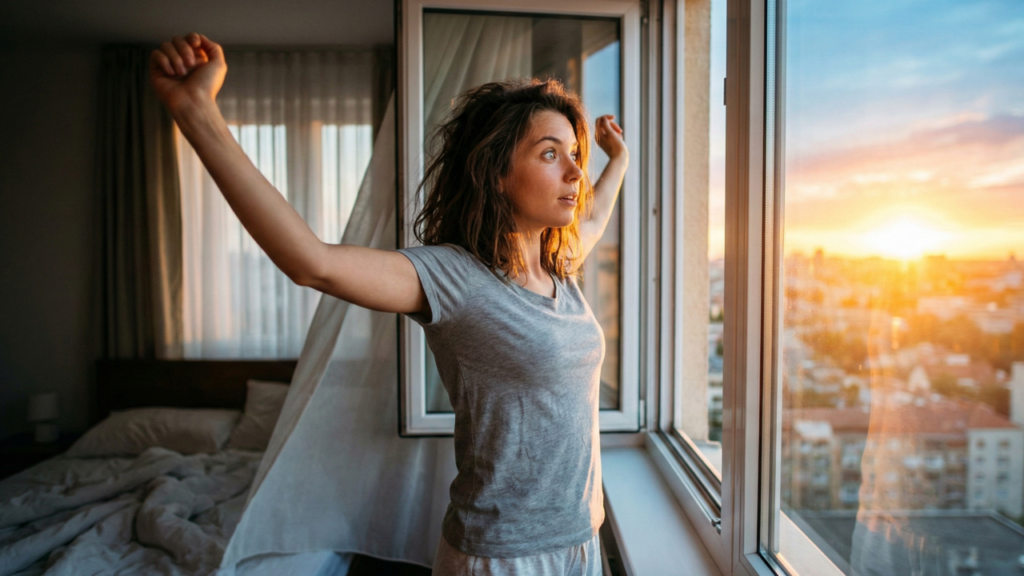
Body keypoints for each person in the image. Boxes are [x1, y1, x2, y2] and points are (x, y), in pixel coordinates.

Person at [151, 32, 628, 576]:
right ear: (497, 173)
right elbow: (313, 262)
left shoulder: (559, 273)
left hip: (582, 540)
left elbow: (596, 211)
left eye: (574, 155)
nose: (574, 172)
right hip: (502, 557)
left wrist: (619, 159)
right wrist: (196, 112)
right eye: (550, 154)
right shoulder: (455, 277)